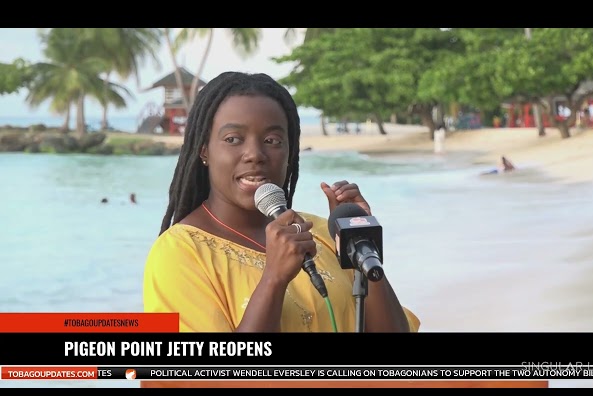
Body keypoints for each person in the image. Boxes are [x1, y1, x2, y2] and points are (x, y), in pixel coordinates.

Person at [143, 72, 420, 334]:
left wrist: (359, 244)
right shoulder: (179, 253)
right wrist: (273, 279)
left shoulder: (322, 233)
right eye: (233, 139)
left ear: (290, 152)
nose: (254, 154)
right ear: (204, 150)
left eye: (272, 140)